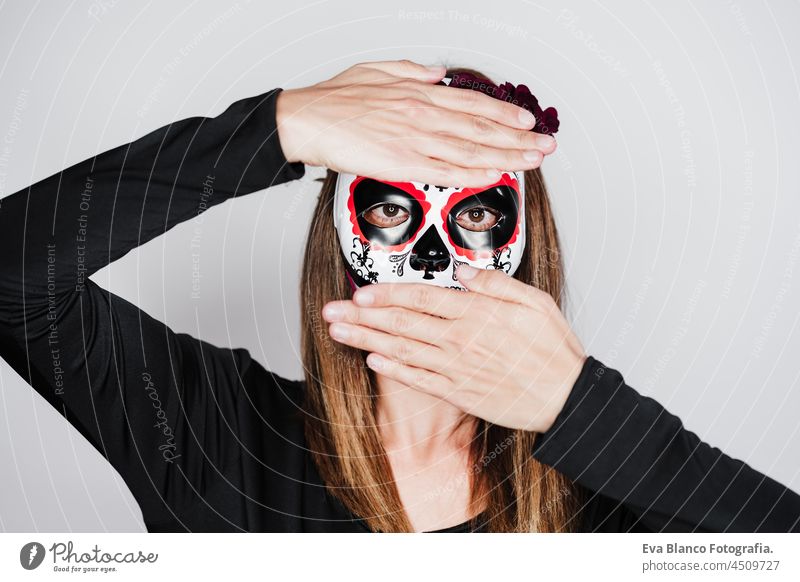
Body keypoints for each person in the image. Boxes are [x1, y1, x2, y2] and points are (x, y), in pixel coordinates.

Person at [0, 59, 797, 533]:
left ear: (526, 244)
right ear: (337, 237)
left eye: (477, 213)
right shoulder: (206, 429)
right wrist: (276, 127)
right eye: (388, 209)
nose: (430, 254)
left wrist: (584, 410)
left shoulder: (608, 488)